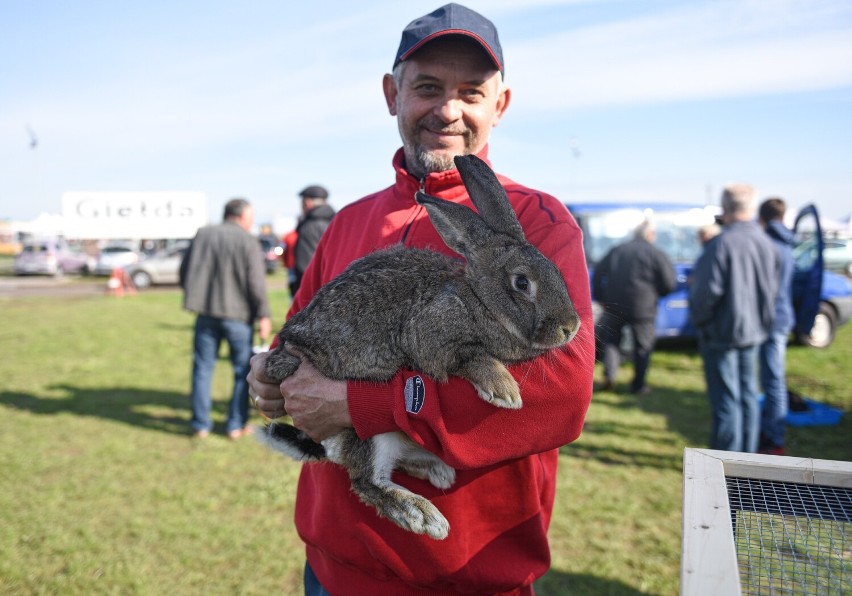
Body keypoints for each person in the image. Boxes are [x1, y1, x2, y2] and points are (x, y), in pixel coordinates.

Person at [246, 4, 595, 594]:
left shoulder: (539, 224)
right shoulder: (349, 222)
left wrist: (366, 404)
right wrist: (270, 377)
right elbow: (295, 338)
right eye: (428, 87)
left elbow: (559, 393)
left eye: (471, 92)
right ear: (392, 94)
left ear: (500, 106)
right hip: (335, 565)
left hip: (466, 570)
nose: (449, 110)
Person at [689, 184, 779, 453]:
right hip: (753, 332)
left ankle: (725, 468)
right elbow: (774, 290)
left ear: (725, 209)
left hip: (722, 335)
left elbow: (705, 294)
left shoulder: (721, 244)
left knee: (728, 403)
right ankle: (748, 462)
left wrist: (702, 323)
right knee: (749, 398)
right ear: (751, 209)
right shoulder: (767, 243)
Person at [180, 198, 272, 440]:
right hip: (238, 317)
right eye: (251, 217)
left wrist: (194, 295)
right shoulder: (247, 239)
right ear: (242, 216)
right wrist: (263, 314)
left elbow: (184, 270)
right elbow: (256, 282)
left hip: (206, 313)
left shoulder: (204, 234)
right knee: (242, 370)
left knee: (202, 368)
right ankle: (235, 425)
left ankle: (200, 425)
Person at [593, 219, 676, 394]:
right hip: (643, 307)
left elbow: (598, 273)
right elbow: (669, 282)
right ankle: (638, 385)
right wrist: (658, 293)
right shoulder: (655, 253)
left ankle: (610, 376)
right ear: (650, 234)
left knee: (612, 342)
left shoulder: (618, 250)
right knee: (643, 345)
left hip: (615, 303)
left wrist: (601, 296)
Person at [757, 197, 795, 455]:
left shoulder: (768, 244)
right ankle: (769, 430)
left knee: (772, 381)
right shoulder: (788, 243)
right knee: (772, 379)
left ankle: (774, 438)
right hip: (781, 317)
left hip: (770, 320)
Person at [290, 184, 334, 296]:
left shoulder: (309, 227)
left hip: (315, 295)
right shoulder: (336, 221)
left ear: (307, 202)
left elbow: (305, 266)